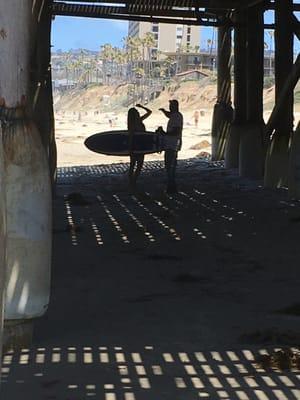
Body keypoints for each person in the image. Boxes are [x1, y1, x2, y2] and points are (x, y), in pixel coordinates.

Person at [159, 99, 183, 194]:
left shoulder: (176, 117)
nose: (169, 108)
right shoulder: (175, 116)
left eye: (171, 106)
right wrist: (163, 111)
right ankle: (171, 186)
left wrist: (164, 133)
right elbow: (168, 115)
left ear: (175, 107)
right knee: (170, 166)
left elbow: (176, 131)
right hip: (171, 145)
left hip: (172, 145)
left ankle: (171, 187)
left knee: (170, 166)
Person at [127, 104, 152, 190]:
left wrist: (142, 106)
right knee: (136, 165)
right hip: (138, 147)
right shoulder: (135, 124)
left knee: (134, 165)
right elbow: (130, 137)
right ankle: (132, 181)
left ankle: (133, 181)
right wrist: (130, 149)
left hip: (138, 146)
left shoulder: (136, 122)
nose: (138, 112)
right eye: (137, 112)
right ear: (134, 115)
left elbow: (150, 112)